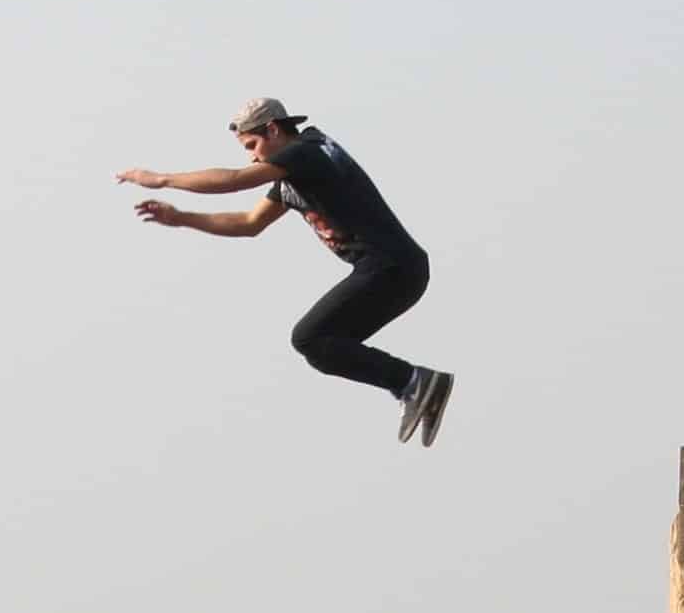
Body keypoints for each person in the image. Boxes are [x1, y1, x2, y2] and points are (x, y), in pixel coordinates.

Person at [118, 97, 454, 446]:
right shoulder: (294, 176)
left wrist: (161, 179)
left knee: (311, 338)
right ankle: (413, 385)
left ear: (274, 130)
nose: (253, 157)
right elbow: (249, 223)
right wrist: (181, 218)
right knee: (322, 347)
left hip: (390, 267)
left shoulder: (307, 151)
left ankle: (413, 381)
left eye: (253, 145)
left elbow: (234, 180)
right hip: (398, 271)